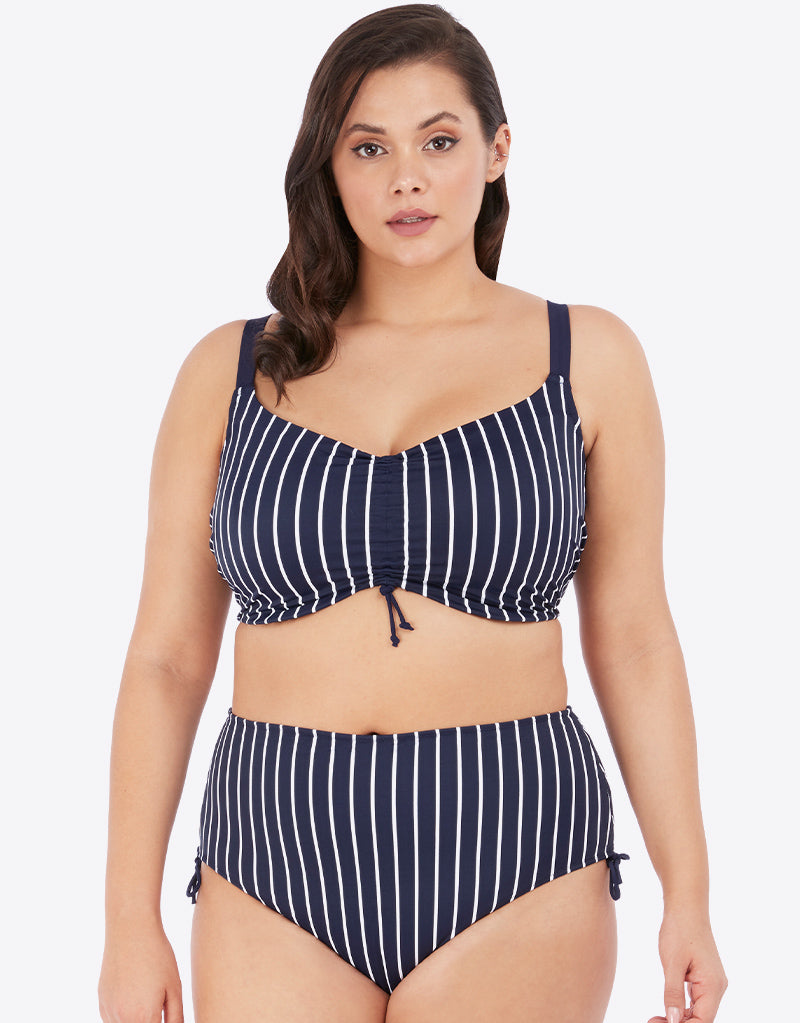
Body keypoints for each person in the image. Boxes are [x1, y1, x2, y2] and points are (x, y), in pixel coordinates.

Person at [98, 4, 727, 1021]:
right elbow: (166, 658)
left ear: (496, 151)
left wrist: (686, 892)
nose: (406, 179)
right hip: (273, 847)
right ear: (327, 165)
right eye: (368, 147)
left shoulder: (589, 356)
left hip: (514, 844)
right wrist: (129, 920)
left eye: (438, 141)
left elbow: (636, 639)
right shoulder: (230, 370)